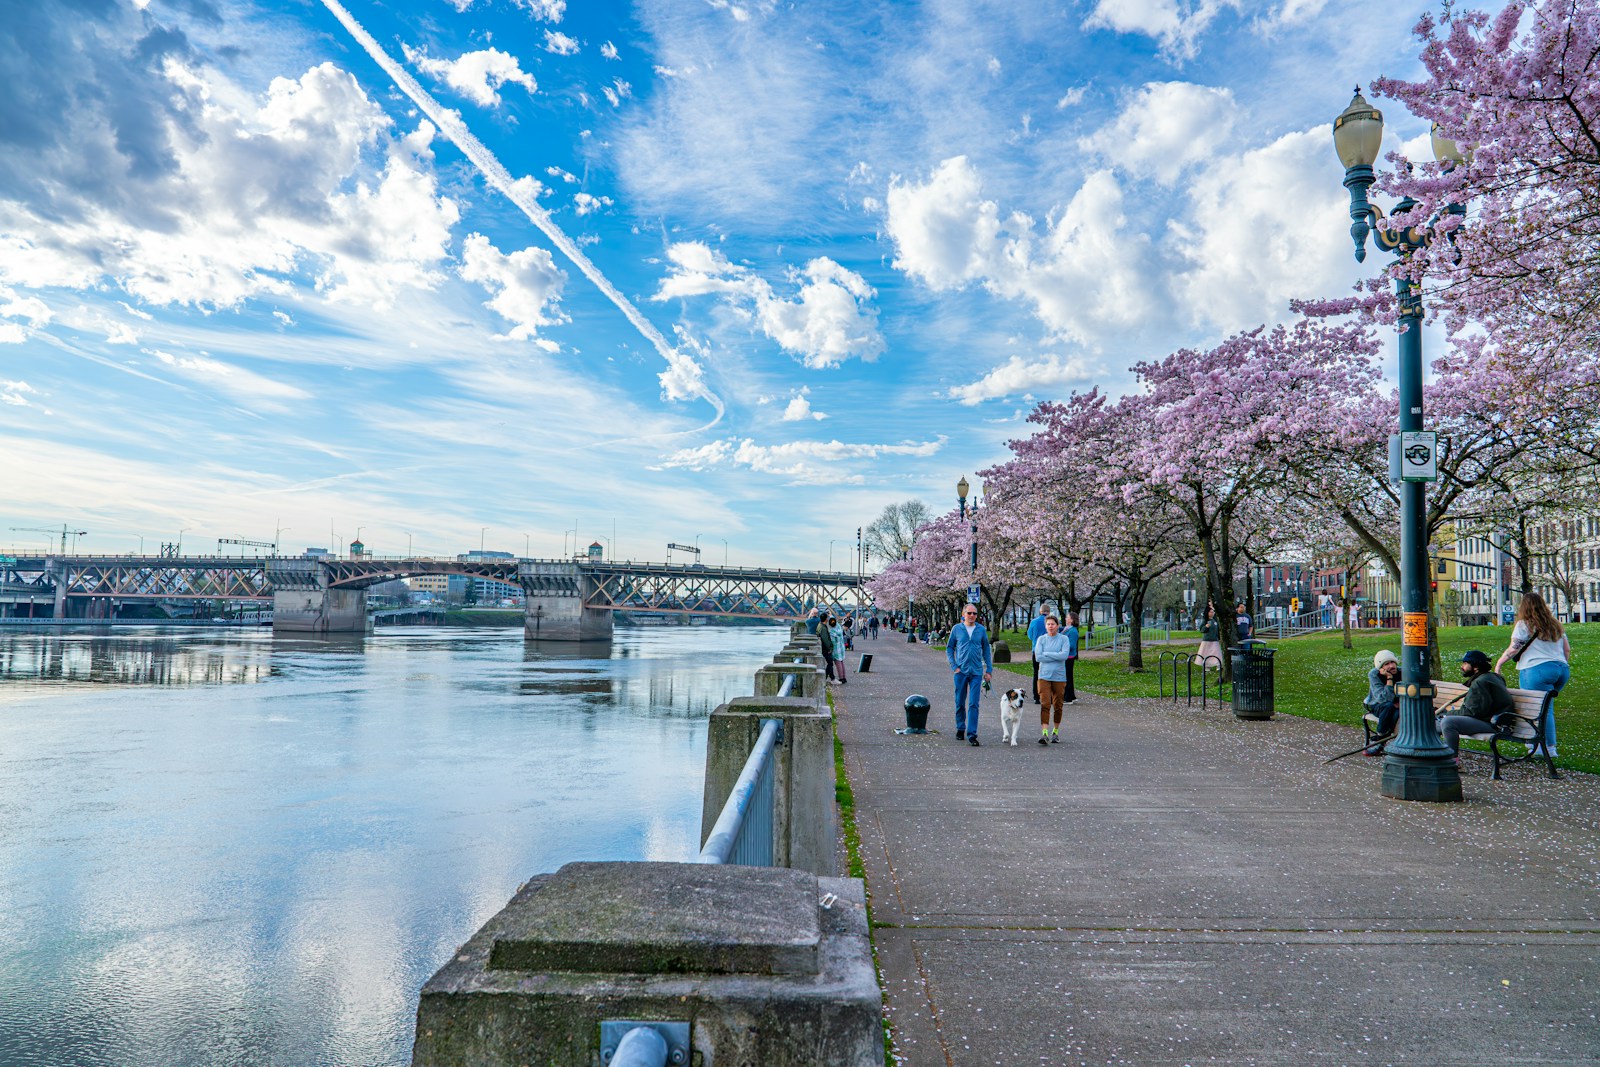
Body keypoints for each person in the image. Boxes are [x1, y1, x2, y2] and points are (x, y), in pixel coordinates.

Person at [1496, 591, 1570, 757]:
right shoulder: (1555, 624)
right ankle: (1548, 747)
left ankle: (1544, 748)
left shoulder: (1524, 624)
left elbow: (1514, 648)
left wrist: (1499, 663)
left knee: (1535, 710)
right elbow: (1567, 649)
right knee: (1547, 708)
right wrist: (1559, 665)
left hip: (1536, 669)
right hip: (1561, 669)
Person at [1438, 649, 1517, 763]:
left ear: (1476, 667)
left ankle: (1452, 762)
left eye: (1465, 664)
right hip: (1493, 720)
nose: (1462, 666)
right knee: (1433, 723)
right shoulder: (1491, 677)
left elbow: (1475, 712)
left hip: (1495, 724)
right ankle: (1432, 757)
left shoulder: (1481, 682)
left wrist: (1447, 714)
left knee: (1448, 722)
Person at [946, 604, 993, 746]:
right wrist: (954, 666)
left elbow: (986, 649)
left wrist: (989, 669)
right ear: (963, 614)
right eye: (969, 613)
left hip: (976, 672)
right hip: (961, 672)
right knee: (960, 701)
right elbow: (949, 648)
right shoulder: (957, 629)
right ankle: (960, 727)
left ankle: (972, 734)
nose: (972, 616)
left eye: (974, 613)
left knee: (974, 703)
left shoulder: (981, 630)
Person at [1033, 615, 1070, 743]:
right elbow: (1038, 657)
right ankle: (1044, 733)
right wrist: (1056, 655)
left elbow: (1064, 655)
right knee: (1045, 704)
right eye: (1048, 624)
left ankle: (1055, 731)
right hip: (1044, 676)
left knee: (1058, 704)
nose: (1050, 626)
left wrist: (1047, 653)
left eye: (1053, 624)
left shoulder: (1064, 639)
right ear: (1045, 626)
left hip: (1059, 677)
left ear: (1058, 625)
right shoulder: (1041, 639)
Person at [1362, 649, 1403, 755]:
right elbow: (1384, 699)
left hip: (1397, 705)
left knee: (1397, 712)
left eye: (1393, 662)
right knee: (1389, 706)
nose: (1391, 666)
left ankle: (1381, 743)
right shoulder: (1374, 675)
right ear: (1381, 668)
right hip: (1377, 704)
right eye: (1386, 664)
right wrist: (1389, 679)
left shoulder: (1402, 672)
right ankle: (1381, 736)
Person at [1027, 604, 1051, 704]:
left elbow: (1030, 635)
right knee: (1048, 674)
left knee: (1036, 673)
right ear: (1048, 612)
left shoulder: (1034, 622)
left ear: (1040, 611)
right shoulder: (1051, 622)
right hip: (1049, 651)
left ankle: (1036, 696)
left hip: (1036, 651)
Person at [1062, 611, 1080, 704]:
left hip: (1068, 657)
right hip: (1066, 656)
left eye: (1067, 617)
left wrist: (1061, 647)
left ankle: (1068, 698)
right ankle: (1071, 696)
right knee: (1068, 676)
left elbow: (1072, 645)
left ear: (1071, 620)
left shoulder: (1072, 631)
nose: (1065, 618)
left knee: (1067, 676)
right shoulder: (1067, 629)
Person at [816, 613, 838, 683]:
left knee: (830, 663)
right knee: (830, 663)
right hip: (825, 649)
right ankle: (830, 679)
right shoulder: (823, 628)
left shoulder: (820, 625)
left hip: (822, 647)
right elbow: (825, 639)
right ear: (826, 619)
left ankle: (829, 678)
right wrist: (830, 648)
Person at [831, 614, 849, 684]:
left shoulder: (832, 631)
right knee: (841, 662)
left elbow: (832, 640)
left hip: (836, 648)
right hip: (841, 647)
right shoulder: (838, 627)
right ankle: (844, 677)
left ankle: (841, 678)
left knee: (838, 663)